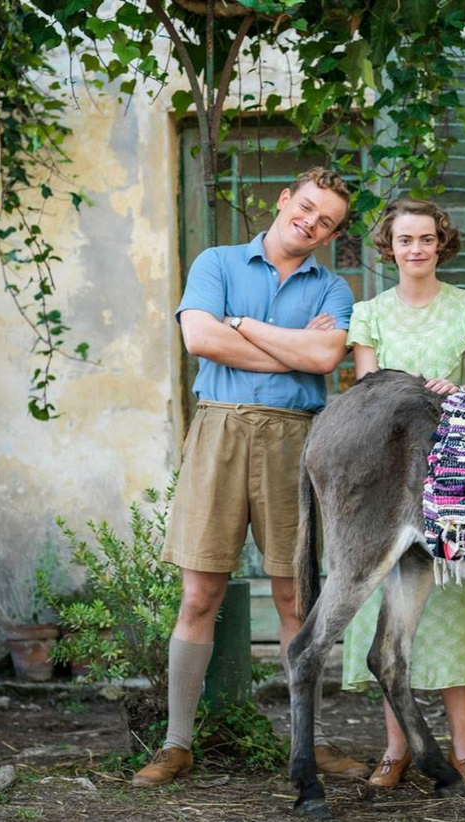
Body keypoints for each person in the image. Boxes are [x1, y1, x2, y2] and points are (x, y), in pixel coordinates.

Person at [133, 167, 370, 787]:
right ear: (286, 198)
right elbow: (198, 337)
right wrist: (285, 344)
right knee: (200, 593)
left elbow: (324, 358)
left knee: (297, 598)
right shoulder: (217, 262)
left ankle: (308, 745)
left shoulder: (334, 288)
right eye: (307, 208)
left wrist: (240, 324)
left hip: (298, 438)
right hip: (219, 430)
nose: (311, 224)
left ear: (330, 234)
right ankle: (177, 743)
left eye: (327, 222)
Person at [341, 198, 465, 788]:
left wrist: (456, 389)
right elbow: (368, 392)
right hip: (389, 474)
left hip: (455, 470)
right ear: (388, 248)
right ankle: (397, 749)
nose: (415, 249)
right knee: (388, 605)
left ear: (441, 244)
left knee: (456, 603)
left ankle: (464, 750)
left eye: (426, 239)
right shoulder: (369, 313)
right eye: (404, 240)